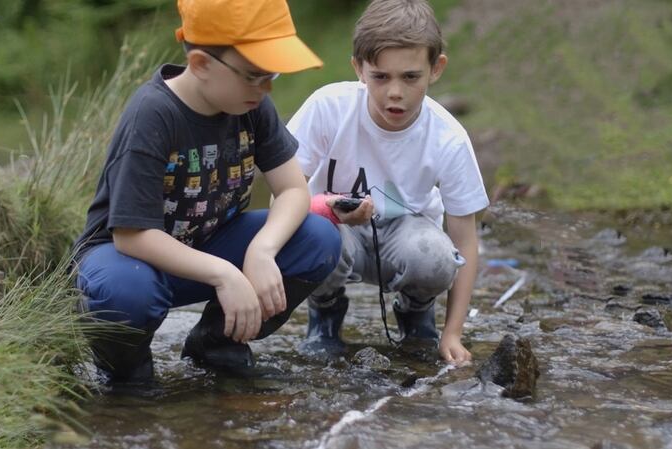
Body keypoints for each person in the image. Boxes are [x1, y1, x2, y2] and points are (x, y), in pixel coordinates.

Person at [72, 0, 341, 382]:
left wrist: (262, 252)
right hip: (128, 259)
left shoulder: (251, 102)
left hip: (210, 243)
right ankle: (126, 371)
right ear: (201, 65)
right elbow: (131, 236)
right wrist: (225, 274)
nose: (265, 88)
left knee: (317, 237)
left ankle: (216, 342)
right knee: (126, 292)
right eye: (254, 75)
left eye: (272, 75)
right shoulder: (153, 114)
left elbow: (294, 190)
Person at [287, 0, 489, 365]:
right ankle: (325, 314)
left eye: (410, 77)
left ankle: (415, 312)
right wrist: (323, 207)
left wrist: (453, 332)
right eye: (380, 77)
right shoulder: (326, 108)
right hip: (335, 232)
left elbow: (465, 243)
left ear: (436, 68)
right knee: (309, 231)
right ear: (359, 70)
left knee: (438, 257)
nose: (395, 92)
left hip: (403, 238)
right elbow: (285, 194)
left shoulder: (448, 138)